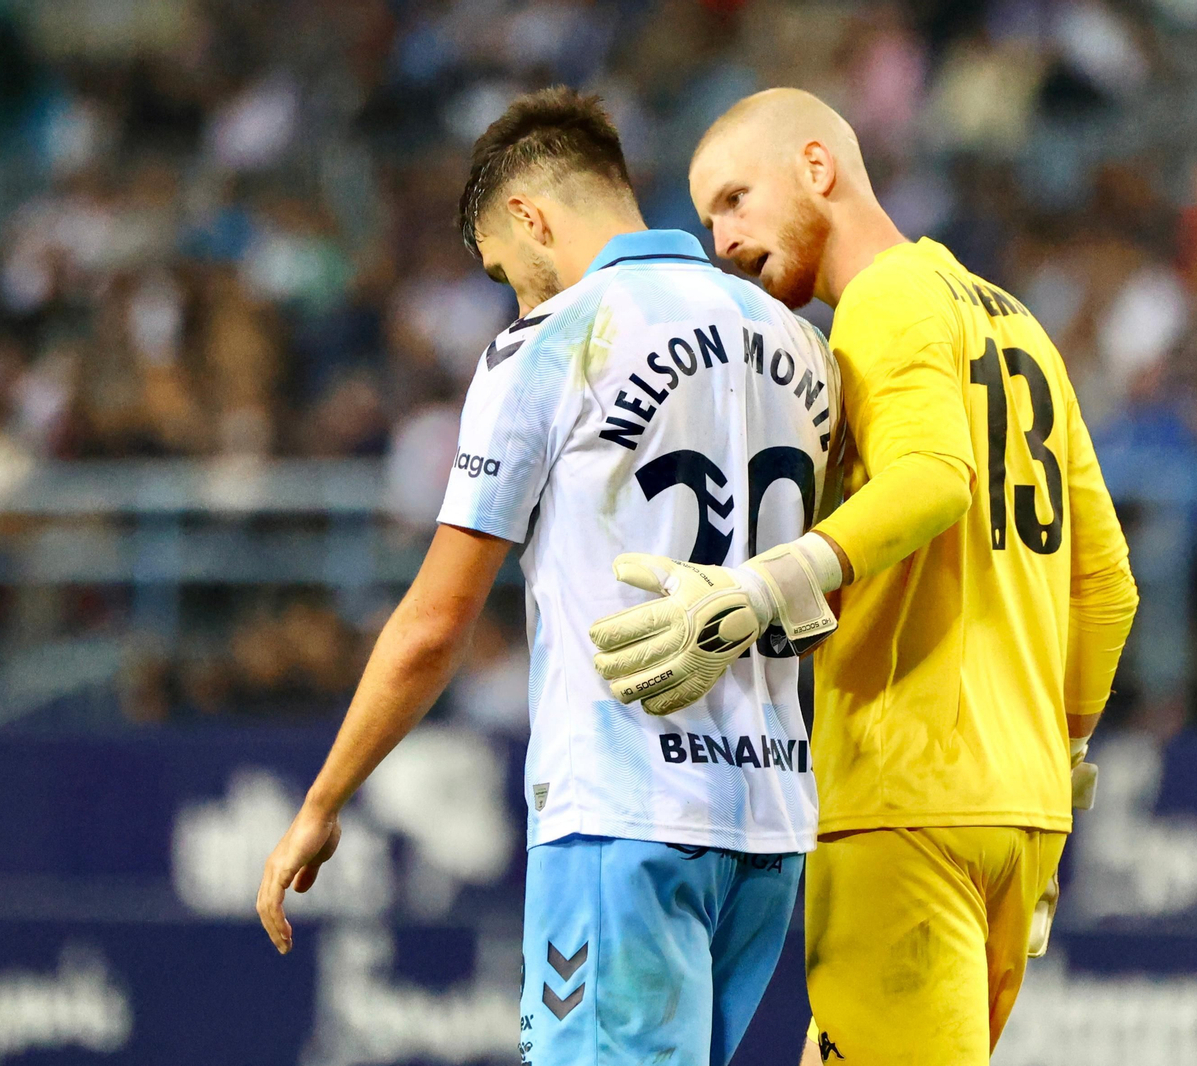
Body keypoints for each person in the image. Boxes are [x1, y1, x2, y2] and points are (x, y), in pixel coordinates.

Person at [255, 86, 843, 1066]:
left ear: (530, 216)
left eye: (503, 270)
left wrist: (321, 803)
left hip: (622, 814)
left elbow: (436, 620)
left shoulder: (555, 339)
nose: (514, 296)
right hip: (771, 826)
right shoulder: (799, 339)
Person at [589, 89, 1138, 1065]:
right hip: (1020, 813)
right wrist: (1060, 758)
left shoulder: (882, 301)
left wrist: (758, 588)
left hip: (905, 796)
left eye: (734, 199)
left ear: (817, 167)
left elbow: (933, 477)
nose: (721, 239)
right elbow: (1106, 584)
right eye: (709, 219)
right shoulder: (1017, 326)